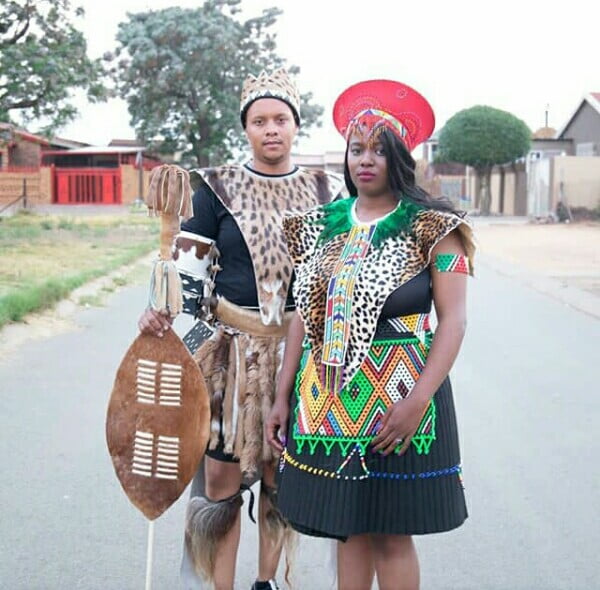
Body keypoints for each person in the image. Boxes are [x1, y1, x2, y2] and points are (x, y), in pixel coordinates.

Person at [138, 68, 343, 590]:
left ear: (296, 126)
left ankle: (266, 582)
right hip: (229, 353)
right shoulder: (215, 187)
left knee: (281, 477)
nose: (270, 129)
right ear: (246, 129)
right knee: (221, 478)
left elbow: (343, 273)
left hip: (298, 357)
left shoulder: (327, 188)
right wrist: (161, 312)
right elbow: (189, 262)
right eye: (259, 121)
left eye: (280, 119)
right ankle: (220, 584)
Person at [266, 79, 476, 590]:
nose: (365, 160)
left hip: (401, 400)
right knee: (348, 531)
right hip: (327, 402)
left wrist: (418, 400)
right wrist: (282, 392)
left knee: (391, 533)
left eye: (378, 151)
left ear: (398, 159)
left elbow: (453, 320)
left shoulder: (435, 227)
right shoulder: (321, 226)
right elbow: (300, 313)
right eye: (356, 149)